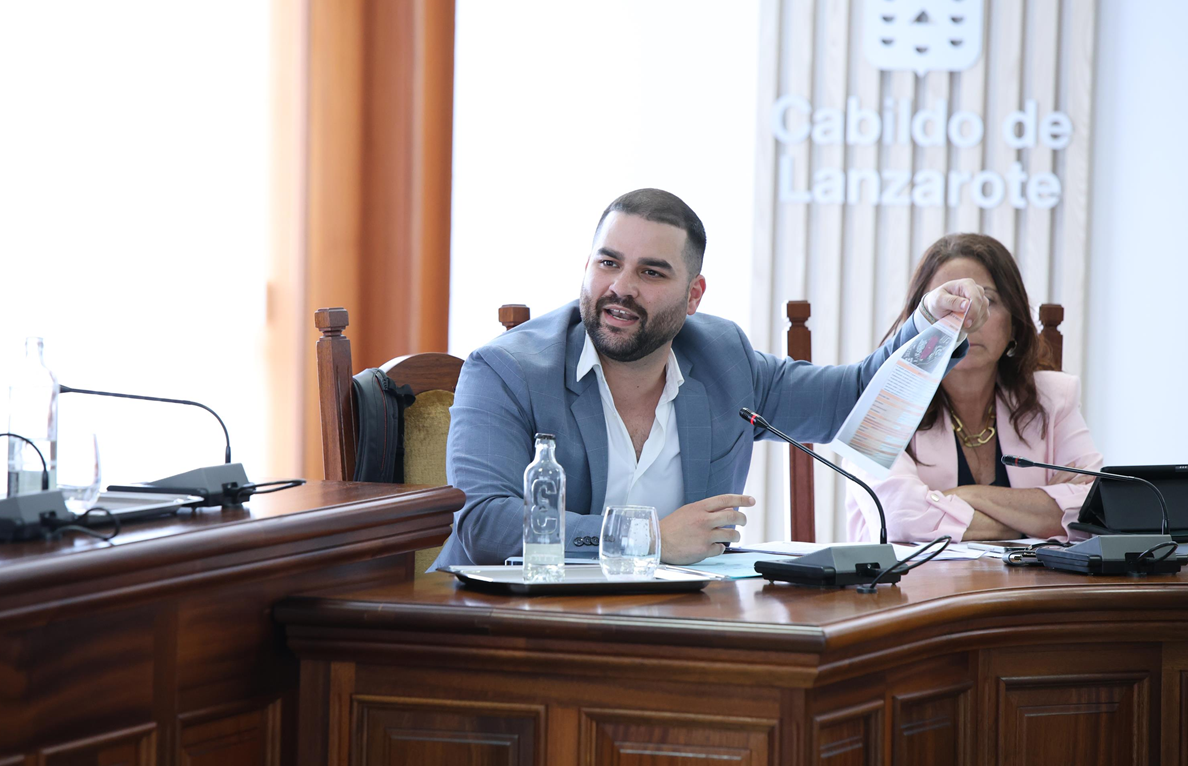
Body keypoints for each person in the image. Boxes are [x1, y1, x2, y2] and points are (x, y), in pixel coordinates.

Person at [433, 189, 990, 568]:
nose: (620, 287)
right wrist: (649, 538)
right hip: (510, 630)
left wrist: (928, 325)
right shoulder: (505, 370)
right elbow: (483, 523)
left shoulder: (724, 360)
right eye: (608, 263)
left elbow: (851, 402)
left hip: (670, 630)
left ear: (694, 296)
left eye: (651, 272)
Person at [845, 233, 1103, 544]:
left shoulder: (1054, 398)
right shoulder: (880, 404)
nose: (968, 318)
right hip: (910, 590)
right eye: (949, 302)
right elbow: (901, 520)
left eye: (987, 300)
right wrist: (1035, 519)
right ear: (920, 321)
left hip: (1029, 591)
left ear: (1014, 324)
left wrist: (959, 497)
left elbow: (1094, 510)